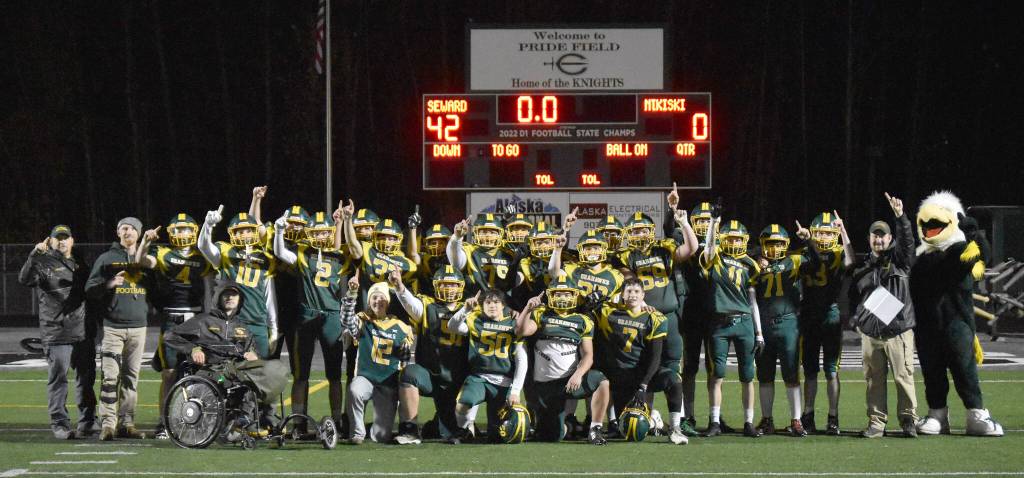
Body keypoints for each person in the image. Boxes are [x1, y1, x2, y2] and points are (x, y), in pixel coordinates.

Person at [163, 282, 290, 432]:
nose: (230, 298)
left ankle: (268, 417)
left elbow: (251, 349)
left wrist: (253, 355)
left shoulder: (242, 327)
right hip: (213, 369)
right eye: (226, 294)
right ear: (218, 298)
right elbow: (170, 336)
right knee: (253, 377)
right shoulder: (203, 320)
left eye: (234, 295)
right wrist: (193, 349)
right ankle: (244, 417)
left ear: (240, 300)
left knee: (275, 370)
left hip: (237, 367)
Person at [845, 192, 918, 438]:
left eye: (882, 235)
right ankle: (877, 423)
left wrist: (901, 217)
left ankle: (908, 420)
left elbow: (908, 243)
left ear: (889, 238)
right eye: (874, 235)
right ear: (869, 239)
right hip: (871, 333)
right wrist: (858, 320)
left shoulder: (900, 261)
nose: (878, 239)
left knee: (903, 376)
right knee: (873, 380)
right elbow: (854, 296)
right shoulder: (862, 267)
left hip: (898, 330)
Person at [134, 213, 214, 439]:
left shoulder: (203, 255)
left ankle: (198, 419)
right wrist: (145, 241)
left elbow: (211, 284)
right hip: (172, 318)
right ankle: (164, 422)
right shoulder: (162, 252)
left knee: (198, 372)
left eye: (185, 229)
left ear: (194, 231)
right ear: (171, 232)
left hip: (195, 319)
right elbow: (141, 261)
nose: (182, 233)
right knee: (169, 373)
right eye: (178, 229)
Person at [273, 209, 351, 437]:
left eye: (323, 232)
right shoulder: (303, 253)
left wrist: (341, 223)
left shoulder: (339, 254)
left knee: (334, 375)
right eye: (315, 232)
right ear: (309, 234)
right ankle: (298, 422)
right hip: (307, 315)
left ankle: (337, 420)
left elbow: (344, 247)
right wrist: (279, 231)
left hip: (332, 316)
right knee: (301, 375)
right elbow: (280, 252)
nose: (319, 236)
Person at [19, 225, 96, 439]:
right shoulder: (42, 262)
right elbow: (24, 279)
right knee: (59, 378)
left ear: (72, 240)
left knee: (86, 379)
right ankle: (60, 424)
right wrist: (34, 255)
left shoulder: (81, 262)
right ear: (51, 241)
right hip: (57, 331)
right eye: (57, 238)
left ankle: (88, 421)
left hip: (83, 331)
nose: (62, 241)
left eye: (65, 238)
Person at [517, 275, 611, 445]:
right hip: (544, 386)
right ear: (550, 295)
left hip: (569, 381)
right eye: (558, 294)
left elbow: (588, 355)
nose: (562, 298)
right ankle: (566, 426)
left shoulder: (583, 320)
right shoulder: (541, 314)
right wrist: (528, 309)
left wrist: (578, 374)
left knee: (601, 381)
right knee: (552, 436)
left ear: (574, 296)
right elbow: (521, 331)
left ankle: (595, 429)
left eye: (567, 294)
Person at [593, 277, 688, 444]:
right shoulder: (609, 314)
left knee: (674, 380)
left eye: (637, 291)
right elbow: (590, 313)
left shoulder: (654, 318)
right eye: (629, 291)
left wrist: (643, 385)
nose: (632, 295)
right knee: (629, 430)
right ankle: (654, 421)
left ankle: (675, 428)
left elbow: (655, 357)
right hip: (622, 377)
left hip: (643, 374)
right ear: (622, 295)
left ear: (643, 295)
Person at [85, 217, 151, 441]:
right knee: (110, 378)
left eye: (132, 228)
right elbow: (90, 289)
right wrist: (109, 284)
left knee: (131, 378)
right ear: (117, 232)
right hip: (113, 327)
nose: (127, 231)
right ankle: (108, 424)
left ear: (139, 233)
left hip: (139, 328)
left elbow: (157, 288)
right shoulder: (106, 258)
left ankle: (127, 423)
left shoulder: (145, 259)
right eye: (123, 228)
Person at [391, 266, 471, 443]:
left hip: (458, 381)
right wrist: (399, 287)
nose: (449, 289)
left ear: (461, 286)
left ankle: (443, 425)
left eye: (453, 285)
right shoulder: (428, 306)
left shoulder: (470, 309)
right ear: (436, 286)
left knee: (453, 432)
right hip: (431, 376)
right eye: (444, 284)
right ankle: (410, 430)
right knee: (409, 373)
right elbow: (411, 304)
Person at [699, 218, 764, 438]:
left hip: (744, 322)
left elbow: (752, 301)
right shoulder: (715, 257)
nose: (734, 242)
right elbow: (709, 247)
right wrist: (713, 224)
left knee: (747, 375)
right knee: (717, 374)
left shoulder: (751, 264)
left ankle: (748, 422)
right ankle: (715, 421)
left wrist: (759, 333)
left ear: (744, 240)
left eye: (738, 239)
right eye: (731, 238)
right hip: (719, 322)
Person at [752, 224, 818, 437]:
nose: (774, 248)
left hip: (788, 322)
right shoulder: (754, 264)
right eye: (770, 243)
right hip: (764, 324)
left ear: (786, 244)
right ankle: (767, 419)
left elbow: (816, 262)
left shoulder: (794, 260)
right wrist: (756, 256)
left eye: (779, 243)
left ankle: (796, 419)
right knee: (765, 375)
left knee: (791, 374)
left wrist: (808, 240)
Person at [446, 288, 528, 444]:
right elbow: (452, 326)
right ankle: (465, 430)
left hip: (504, 382)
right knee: (462, 405)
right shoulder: (475, 319)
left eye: (496, 302)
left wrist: (515, 391)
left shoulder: (514, 324)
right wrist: (465, 310)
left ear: (503, 305)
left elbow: (522, 360)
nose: (492, 306)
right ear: (482, 305)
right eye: (488, 302)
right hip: (479, 378)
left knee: (497, 436)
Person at [198, 206, 280, 359]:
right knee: (231, 368)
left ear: (255, 231)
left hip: (258, 322)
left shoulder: (265, 258)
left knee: (259, 369)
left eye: (248, 230)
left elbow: (269, 297)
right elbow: (203, 246)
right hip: (231, 323)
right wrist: (207, 226)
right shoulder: (225, 252)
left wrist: (273, 327)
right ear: (231, 233)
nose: (244, 234)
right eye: (239, 231)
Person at [344, 281, 415, 444]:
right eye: (374, 298)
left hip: (387, 383)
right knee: (354, 390)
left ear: (388, 302)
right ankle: (357, 433)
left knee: (381, 437)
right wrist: (351, 294)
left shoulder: (401, 327)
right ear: (369, 301)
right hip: (366, 378)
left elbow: (404, 362)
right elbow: (347, 319)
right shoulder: (363, 320)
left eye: (381, 297)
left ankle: (373, 428)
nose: (378, 301)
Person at [800, 211, 848, 435]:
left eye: (829, 233)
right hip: (809, 316)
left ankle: (833, 416)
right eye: (820, 233)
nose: (824, 237)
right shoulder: (804, 253)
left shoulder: (840, 253)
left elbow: (851, 261)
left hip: (830, 315)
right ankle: (808, 414)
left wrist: (844, 232)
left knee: (831, 370)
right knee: (810, 370)